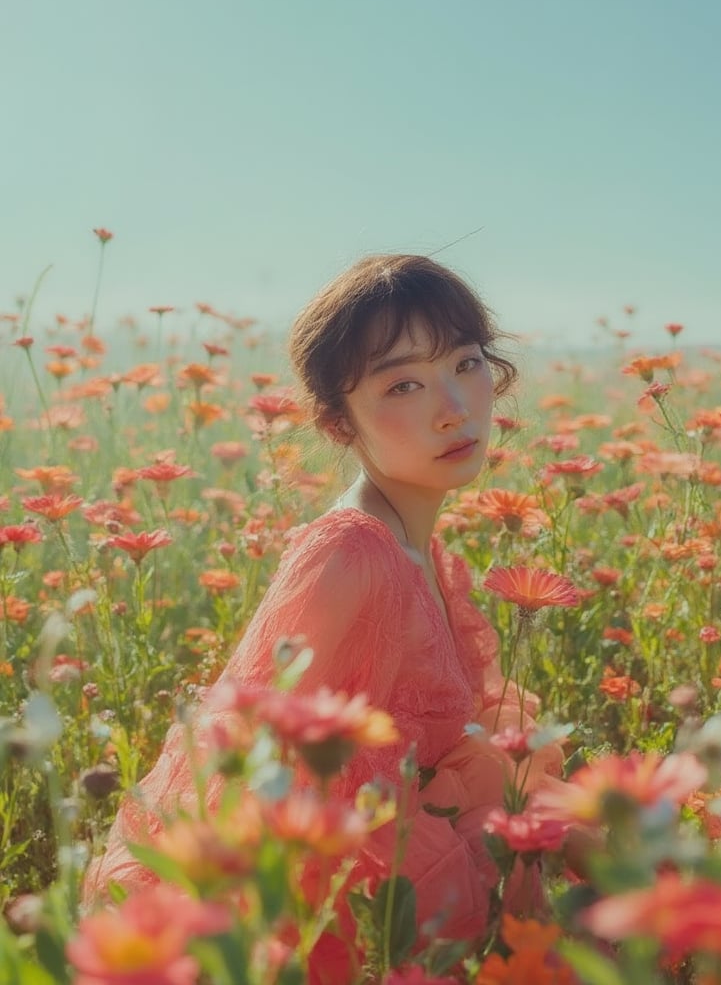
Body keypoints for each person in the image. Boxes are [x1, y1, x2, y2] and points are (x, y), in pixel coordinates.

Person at [82, 253, 564, 962]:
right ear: (339, 424)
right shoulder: (349, 555)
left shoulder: (425, 552)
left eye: (465, 365)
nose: (456, 410)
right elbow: (249, 767)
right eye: (403, 384)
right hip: (337, 907)